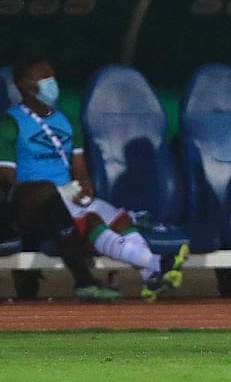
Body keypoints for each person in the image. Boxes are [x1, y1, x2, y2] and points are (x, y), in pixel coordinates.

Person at [0, 57, 188, 301]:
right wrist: (58, 194)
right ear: (27, 87)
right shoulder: (10, 124)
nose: (52, 84)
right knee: (90, 218)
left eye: (52, 78)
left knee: (117, 218)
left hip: (70, 194)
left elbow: (79, 166)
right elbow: (9, 182)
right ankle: (157, 261)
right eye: (44, 80)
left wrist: (85, 185)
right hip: (38, 204)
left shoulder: (66, 121)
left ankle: (151, 275)